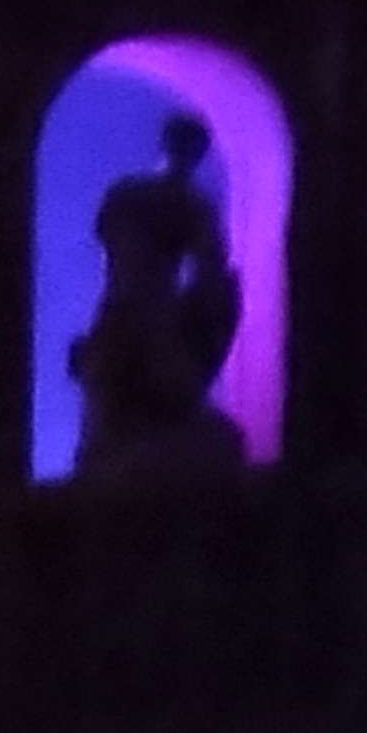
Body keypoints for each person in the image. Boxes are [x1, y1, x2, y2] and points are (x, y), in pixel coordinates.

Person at [66, 112, 244, 480]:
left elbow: (209, 262)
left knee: (122, 392)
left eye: (191, 149)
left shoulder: (164, 200)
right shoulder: (163, 200)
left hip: (138, 306)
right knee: (113, 391)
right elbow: (207, 262)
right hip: (134, 308)